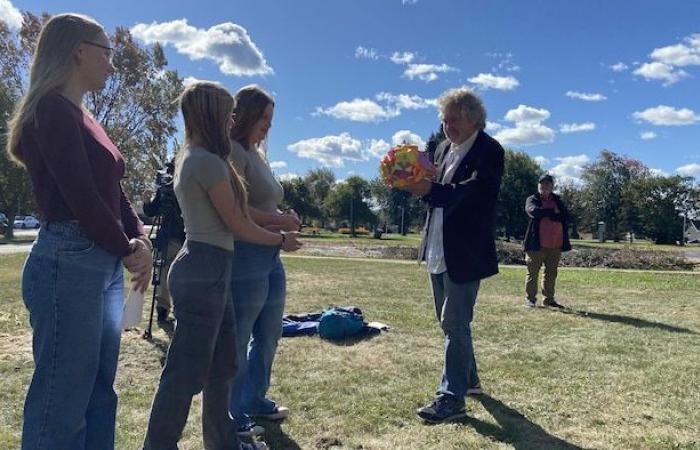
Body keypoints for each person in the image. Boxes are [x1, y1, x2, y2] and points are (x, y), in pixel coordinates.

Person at [5, 13, 152, 449]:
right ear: (78, 51)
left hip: (99, 263)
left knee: (99, 393)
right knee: (62, 401)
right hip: (67, 265)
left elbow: (113, 192)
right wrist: (127, 248)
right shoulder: (50, 109)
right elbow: (80, 195)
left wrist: (139, 237)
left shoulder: (85, 117)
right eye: (106, 52)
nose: (111, 63)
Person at [143, 81, 301, 450]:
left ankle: (223, 441)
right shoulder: (207, 161)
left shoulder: (203, 158)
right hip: (204, 267)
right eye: (227, 110)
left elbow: (240, 214)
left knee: (223, 365)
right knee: (186, 372)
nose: (233, 117)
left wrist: (277, 227)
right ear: (211, 113)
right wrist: (280, 239)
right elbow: (239, 223)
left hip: (212, 266)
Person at [401, 87, 504, 424]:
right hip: (437, 246)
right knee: (449, 322)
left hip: (466, 251)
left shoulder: (490, 150)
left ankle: (451, 397)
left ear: (475, 118)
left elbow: (474, 193)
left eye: (455, 120)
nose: (448, 127)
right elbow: (435, 192)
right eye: (444, 121)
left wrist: (431, 190)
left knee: (454, 323)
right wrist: (418, 186)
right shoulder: (443, 148)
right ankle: (469, 380)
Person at [227, 85, 302, 437]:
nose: (268, 126)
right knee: (240, 337)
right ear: (244, 115)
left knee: (269, 333)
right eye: (263, 118)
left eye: (271, 120)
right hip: (246, 256)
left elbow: (264, 205)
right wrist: (281, 223)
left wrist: (284, 217)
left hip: (271, 254)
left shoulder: (258, 155)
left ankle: (256, 398)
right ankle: (233, 412)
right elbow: (236, 212)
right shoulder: (234, 152)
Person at [142, 160, 186, 322]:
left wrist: (149, 203)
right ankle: (165, 310)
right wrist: (147, 201)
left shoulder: (167, 185)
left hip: (177, 236)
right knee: (168, 272)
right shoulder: (168, 186)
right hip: (177, 235)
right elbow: (153, 210)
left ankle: (164, 308)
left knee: (166, 272)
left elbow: (152, 210)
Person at [523, 174, 572, 308]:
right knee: (532, 273)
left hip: (555, 244)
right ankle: (530, 300)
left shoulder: (557, 200)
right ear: (538, 185)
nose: (545, 186)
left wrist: (551, 214)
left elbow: (565, 216)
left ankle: (549, 300)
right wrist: (552, 212)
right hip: (536, 244)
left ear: (552, 186)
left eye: (548, 184)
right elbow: (533, 212)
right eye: (542, 184)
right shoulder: (532, 199)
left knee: (551, 274)